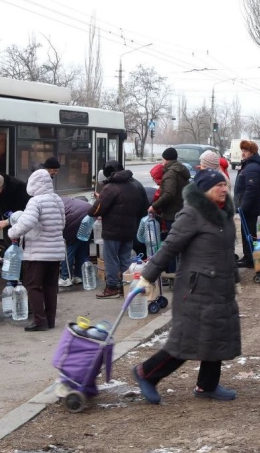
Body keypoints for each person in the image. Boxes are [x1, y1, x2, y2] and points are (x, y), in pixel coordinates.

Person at [131, 169, 241, 404]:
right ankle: (146, 373)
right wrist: (148, 277)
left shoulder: (224, 213)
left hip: (220, 287)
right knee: (186, 341)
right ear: (204, 189)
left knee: (216, 335)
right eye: (218, 185)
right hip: (196, 289)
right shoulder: (192, 214)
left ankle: (207, 386)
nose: (224, 189)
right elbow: (169, 247)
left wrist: (235, 279)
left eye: (225, 184)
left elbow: (226, 251)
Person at [7, 170, 65, 331]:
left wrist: (12, 232)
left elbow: (27, 223)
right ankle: (50, 320)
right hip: (55, 252)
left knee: (33, 286)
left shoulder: (36, 201)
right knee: (50, 287)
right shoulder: (57, 199)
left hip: (37, 253)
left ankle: (40, 321)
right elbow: (62, 223)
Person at [89, 160, 149, 298]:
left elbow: (96, 209)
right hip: (130, 229)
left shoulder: (110, 188)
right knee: (125, 258)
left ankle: (111, 288)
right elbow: (143, 207)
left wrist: (94, 207)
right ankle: (126, 286)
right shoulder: (134, 185)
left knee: (110, 258)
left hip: (112, 231)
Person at [148, 148, 191, 274]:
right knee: (180, 245)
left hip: (172, 214)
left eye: (162, 159)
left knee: (171, 246)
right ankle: (181, 272)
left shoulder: (170, 173)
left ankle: (172, 273)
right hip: (182, 211)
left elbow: (169, 193)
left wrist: (154, 206)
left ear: (166, 159)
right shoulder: (181, 170)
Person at [233, 140, 260, 268]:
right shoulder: (249, 165)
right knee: (247, 233)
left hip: (249, 208)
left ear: (252, 152)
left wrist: (243, 207)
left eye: (246, 151)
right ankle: (248, 256)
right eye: (242, 150)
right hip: (247, 207)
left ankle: (251, 258)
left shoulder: (252, 167)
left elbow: (251, 190)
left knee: (249, 234)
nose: (243, 153)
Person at [0, 170, 31, 243]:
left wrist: (8, 221)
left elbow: (27, 211)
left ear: (2, 185)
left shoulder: (19, 187)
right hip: (7, 222)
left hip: (22, 224)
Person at [59, 196, 92, 287]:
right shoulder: (63, 199)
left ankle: (65, 278)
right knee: (82, 247)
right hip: (89, 215)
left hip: (74, 218)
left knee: (69, 249)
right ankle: (79, 276)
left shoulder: (51, 203)